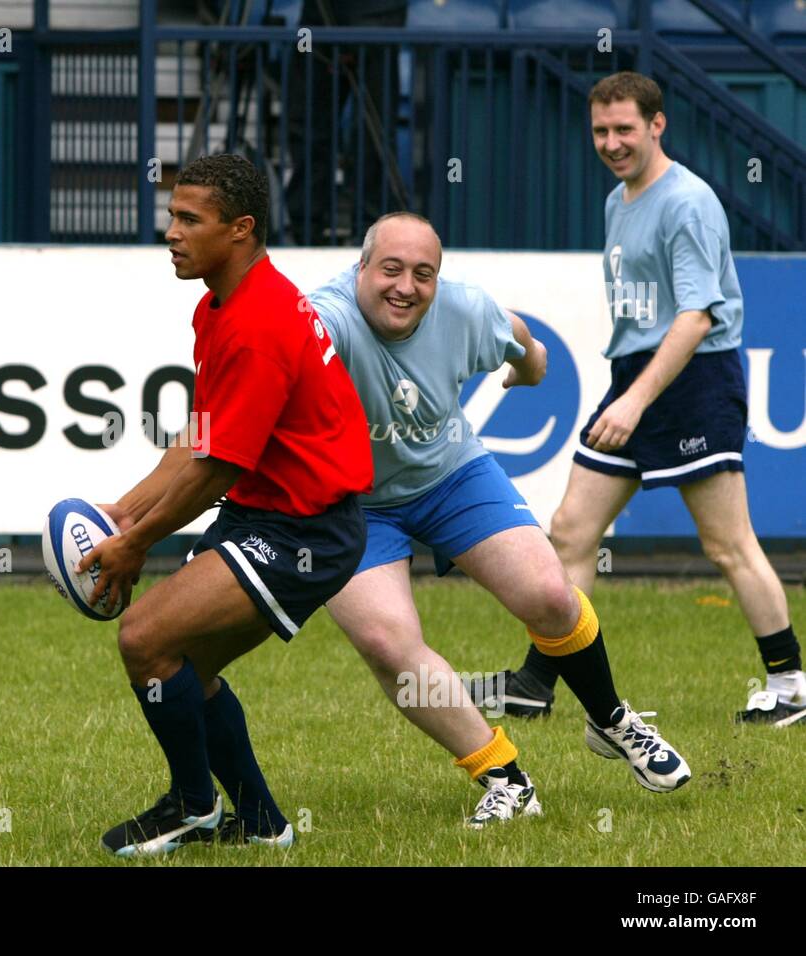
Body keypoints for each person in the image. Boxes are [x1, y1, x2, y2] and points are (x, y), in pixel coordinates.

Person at [307, 212, 692, 823]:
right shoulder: (324, 318)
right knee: (387, 643)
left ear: (439, 280)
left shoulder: (463, 310)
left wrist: (526, 370)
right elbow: (280, 354)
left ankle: (612, 719)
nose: (406, 286)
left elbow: (525, 345)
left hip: (451, 475)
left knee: (550, 596)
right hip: (350, 502)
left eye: (423, 274)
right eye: (391, 269)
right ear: (360, 268)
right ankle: (505, 779)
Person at [487, 72, 804, 728]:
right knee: (572, 530)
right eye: (601, 130)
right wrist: (628, 393)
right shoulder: (618, 200)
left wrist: (633, 402)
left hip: (693, 380)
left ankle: (791, 685)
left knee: (728, 545)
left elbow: (696, 317)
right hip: (636, 373)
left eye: (625, 128)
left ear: (657, 125)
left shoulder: (688, 202)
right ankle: (537, 682)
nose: (612, 142)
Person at [79, 154, 373, 855]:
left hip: (307, 529)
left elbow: (216, 470)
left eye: (189, 219)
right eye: (172, 216)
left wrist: (137, 541)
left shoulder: (257, 324)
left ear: (240, 229)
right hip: (266, 514)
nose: (171, 233)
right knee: (188, 666)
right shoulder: (221, 306)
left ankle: (191, 806)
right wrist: (127, 510)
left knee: (145, 640)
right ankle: (263, 824)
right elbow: (201, 439)